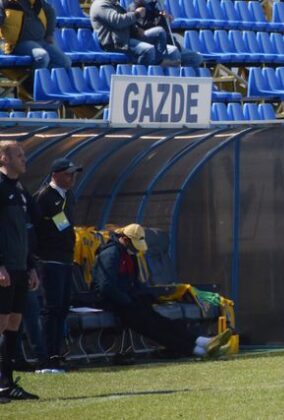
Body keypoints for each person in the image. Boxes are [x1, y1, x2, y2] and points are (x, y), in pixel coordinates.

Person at [93, 223, 232, 359]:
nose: (136, 250)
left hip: (129, 300)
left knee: (161, 322)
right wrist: (128, 301)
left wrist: (145, 296)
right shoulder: (110, 254)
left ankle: (202, 342)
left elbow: (133, 282)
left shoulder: (128, 254)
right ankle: (199, 349)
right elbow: (106, 287)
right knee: (153, 327)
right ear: (125, 239)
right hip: (114, 303)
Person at [32, 157, 82, 373]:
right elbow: (33, 227)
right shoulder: (44, 196)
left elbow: (65, 225)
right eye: (68, 174)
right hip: (49, 260)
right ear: (55, 175)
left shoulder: (69, 195)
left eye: (73, 174)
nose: (72, 178)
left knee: (62, 309)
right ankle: (46, 358)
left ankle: (57, 354)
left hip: (66, 259)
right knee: (50, 309)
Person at [0, 140, 40, 402]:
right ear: (4, 159)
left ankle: (6, 383)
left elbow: (26, 231)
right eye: (19, 155)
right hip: (4, 268)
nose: (24, 159)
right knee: (1, 322)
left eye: (24, 155)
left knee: (14, 322)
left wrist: (31, 266)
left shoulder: (21, 190)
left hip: (20, 266)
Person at [90, 0, 168, 65]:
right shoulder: (101, 5)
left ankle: (155, 64)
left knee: (159, 32)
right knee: (148, 50)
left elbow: (126, 20)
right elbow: (118, 21)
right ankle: (141, 73)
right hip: (116, 43)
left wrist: (136, 29)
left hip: (126, 38)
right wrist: (137, 14)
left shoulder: (113, 4)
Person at [127, 0, 202, 67]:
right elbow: (141, 32)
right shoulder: (134, 8)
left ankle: (180, 72)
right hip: (155, 46)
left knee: (197, 58)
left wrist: (165, 19)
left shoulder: (156, 7)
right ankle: (169, 72)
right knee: (174, 51)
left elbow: (163, 28)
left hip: (169, 42)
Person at [0, 0, 71, 69]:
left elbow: (50, 12)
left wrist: (49, 34)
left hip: (41, 40)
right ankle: (33, 76)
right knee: (42, 56)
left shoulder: (36, 1)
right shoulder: (5, 2)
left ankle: (36, 75)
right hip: (18, 44)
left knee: (64, 62)